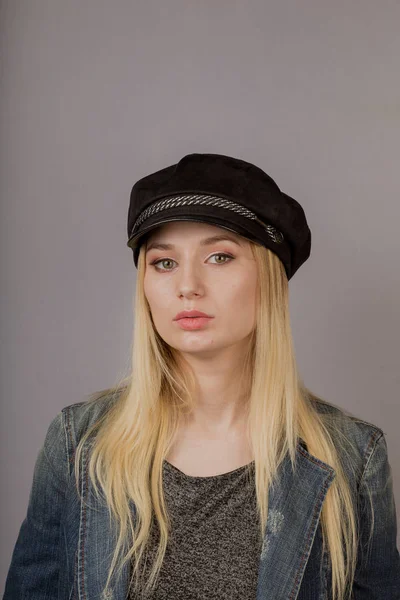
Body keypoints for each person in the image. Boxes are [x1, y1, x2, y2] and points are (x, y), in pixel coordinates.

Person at [3, 152, 400, 599]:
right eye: (164, 263)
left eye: (219, 256)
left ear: (270, 278)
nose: (187, 285)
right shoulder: (79, 443)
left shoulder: (351, 458)